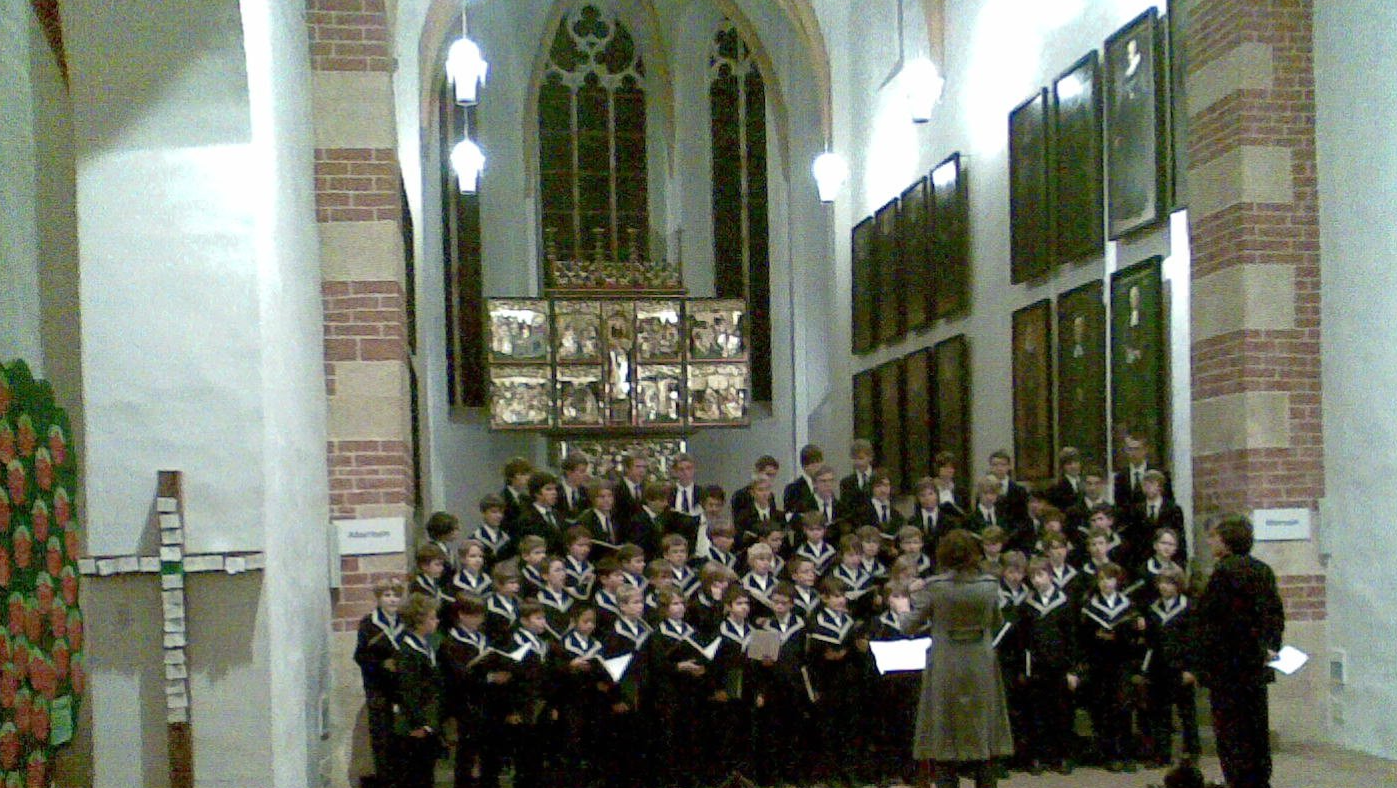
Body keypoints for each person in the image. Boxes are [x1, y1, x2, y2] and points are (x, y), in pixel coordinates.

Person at [889, 528, 1013, 788]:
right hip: (980, 663)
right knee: (984, 731)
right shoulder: (989, 585)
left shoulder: (935, 588)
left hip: (946, 664)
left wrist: (902, 609)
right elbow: (996, 621)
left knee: (945, 733)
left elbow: (909, 626)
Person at [1197, 515, 1284, 788]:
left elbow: (1214, 621)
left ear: (1226, 541)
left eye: (1214, 537)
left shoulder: (1223, 573)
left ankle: (1238, 780)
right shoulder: (1262, 570)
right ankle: (1259, 779)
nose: (1210, 542)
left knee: (1231, 731)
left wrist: (1203, 661)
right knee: (1256, 726)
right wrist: (1270, 648)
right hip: (1256, 663)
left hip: (1228, 667)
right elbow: (1274, 615)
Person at [354, 577, 404, 788]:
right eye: (387, 595)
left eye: (396, 595)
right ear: (378, 598)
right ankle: (385, 781)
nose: (392, 600)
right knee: (382, 740)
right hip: (379, 691)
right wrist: (382, 664)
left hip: (401, 690)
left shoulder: (405, 622)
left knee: (402, 741)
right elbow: (360, 656)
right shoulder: (369, 623)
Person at [393, 593, 444, 788]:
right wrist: (419, 723)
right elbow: (408, 690)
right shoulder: (408, 651)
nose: (436, 621)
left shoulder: (426, 644)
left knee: (426, 773)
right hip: (415, 723)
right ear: (418, 622)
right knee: (415, 776)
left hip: (428, 720)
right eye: (432, 618)